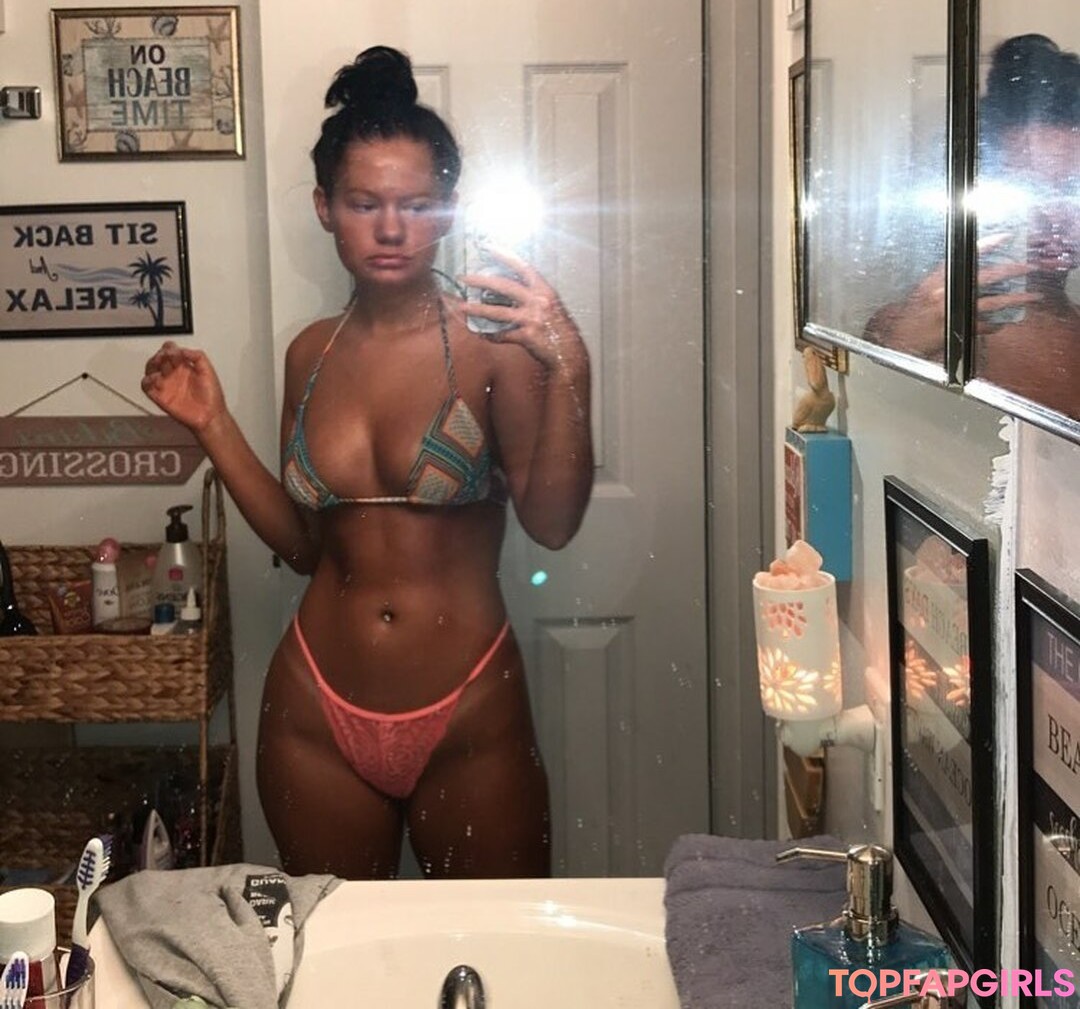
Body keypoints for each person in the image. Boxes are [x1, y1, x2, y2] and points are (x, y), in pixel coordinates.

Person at [142, 45, 594, 879]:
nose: (391, 229)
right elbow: (305, 547)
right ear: (325, 208)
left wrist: (571, 362)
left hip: (469, 708)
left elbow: (554, 523)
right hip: (314, 707)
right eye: (364, 203)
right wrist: (214, 426)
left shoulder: (495, 346)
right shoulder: (308, 354)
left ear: (448, 210)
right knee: (335, 947)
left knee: (492, 941)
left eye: (417, 204)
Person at [865, 33, 1079, 420]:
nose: (1051, 214)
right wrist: (904, 341)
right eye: (1027, 187)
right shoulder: (928, 323)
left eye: (1070, 188)